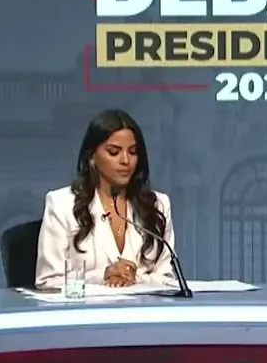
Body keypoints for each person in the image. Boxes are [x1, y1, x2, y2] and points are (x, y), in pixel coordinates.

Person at [35, 109, 175, 289]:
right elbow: (48, 282)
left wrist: (134, 279)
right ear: (92, 156)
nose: (126, 161)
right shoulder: (62, 205)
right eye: (114, 152)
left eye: (133, 152)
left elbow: (168, 279)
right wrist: (103, 276)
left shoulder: (157, 205)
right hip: (87, 307)